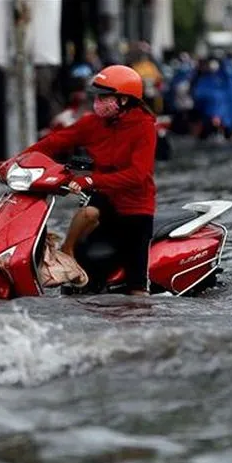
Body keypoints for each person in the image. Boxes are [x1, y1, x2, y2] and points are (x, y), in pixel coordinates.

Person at [12, 65, 156, 296]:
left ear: (124, 100)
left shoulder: (144, 128)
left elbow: (138, 175)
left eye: (104, 97)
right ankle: (67, 250)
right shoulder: (93, 124)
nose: (98, 102)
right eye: (97, 96)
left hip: (136, 207)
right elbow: (56, 141)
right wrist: (18, 160)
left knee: (137, 289)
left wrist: (90, 180)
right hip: (105, 194)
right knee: (87, 217)